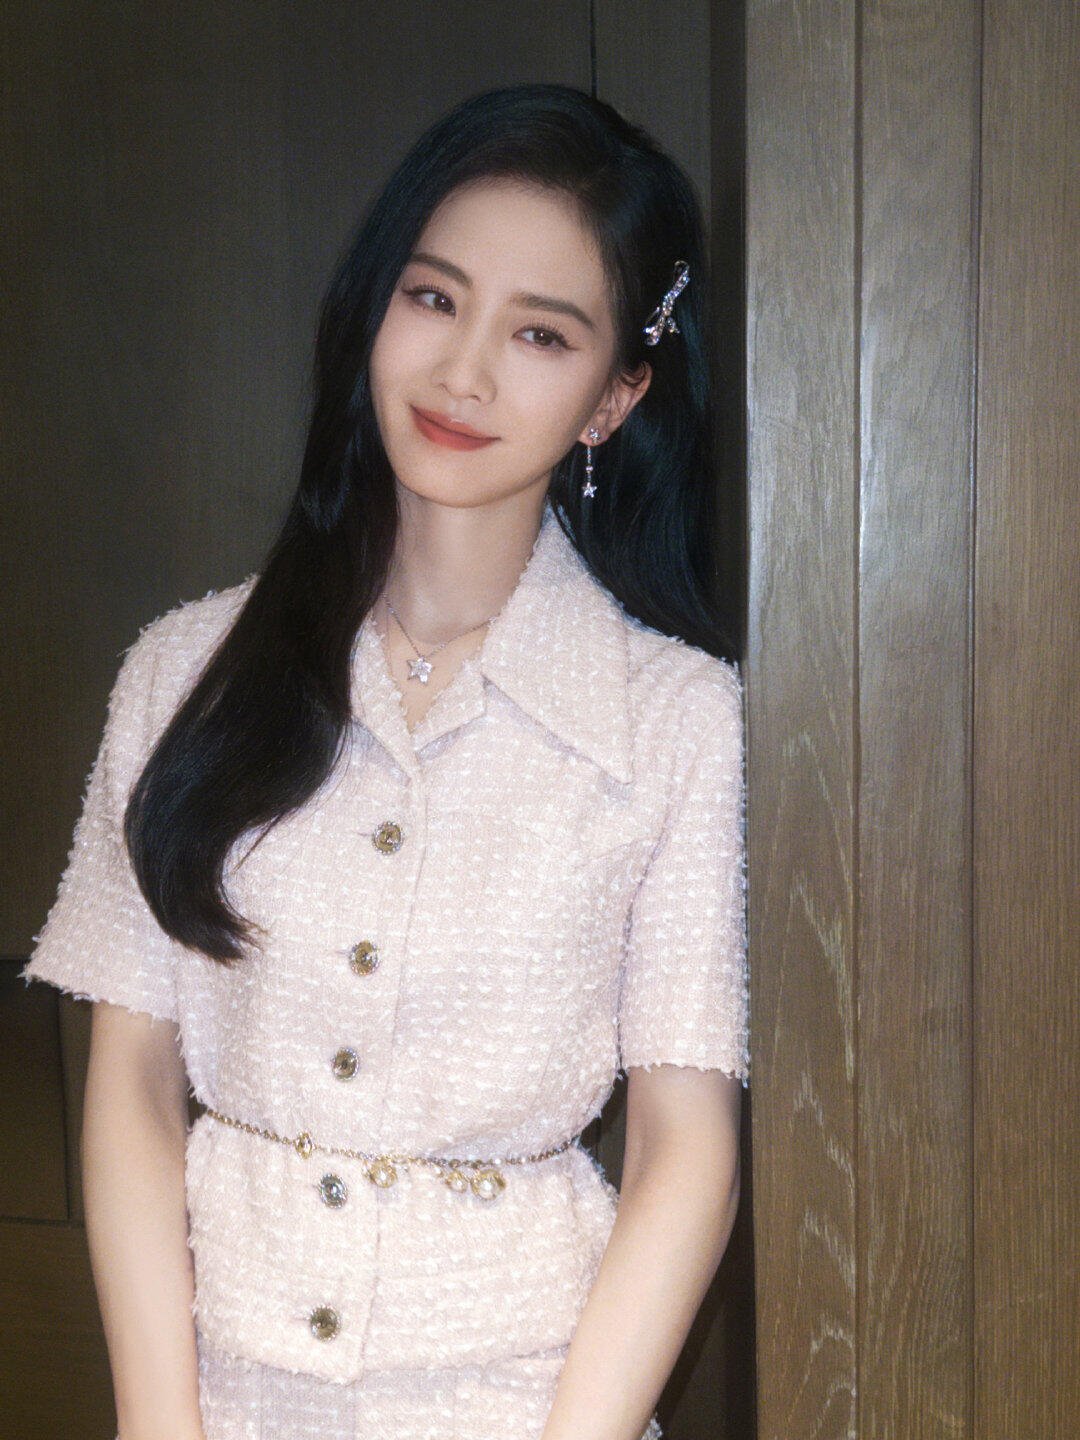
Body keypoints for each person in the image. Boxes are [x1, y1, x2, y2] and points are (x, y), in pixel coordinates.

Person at [23, 82, 749, 1440]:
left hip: (528, 1402)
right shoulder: (182, 670)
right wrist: (158, 1424)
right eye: (433, 298)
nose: (465, 372)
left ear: (614, 397)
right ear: (376, 306)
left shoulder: (675, 718)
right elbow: (130, 1081)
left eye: (541, 334)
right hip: (221, 1398)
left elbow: (682, 1145)